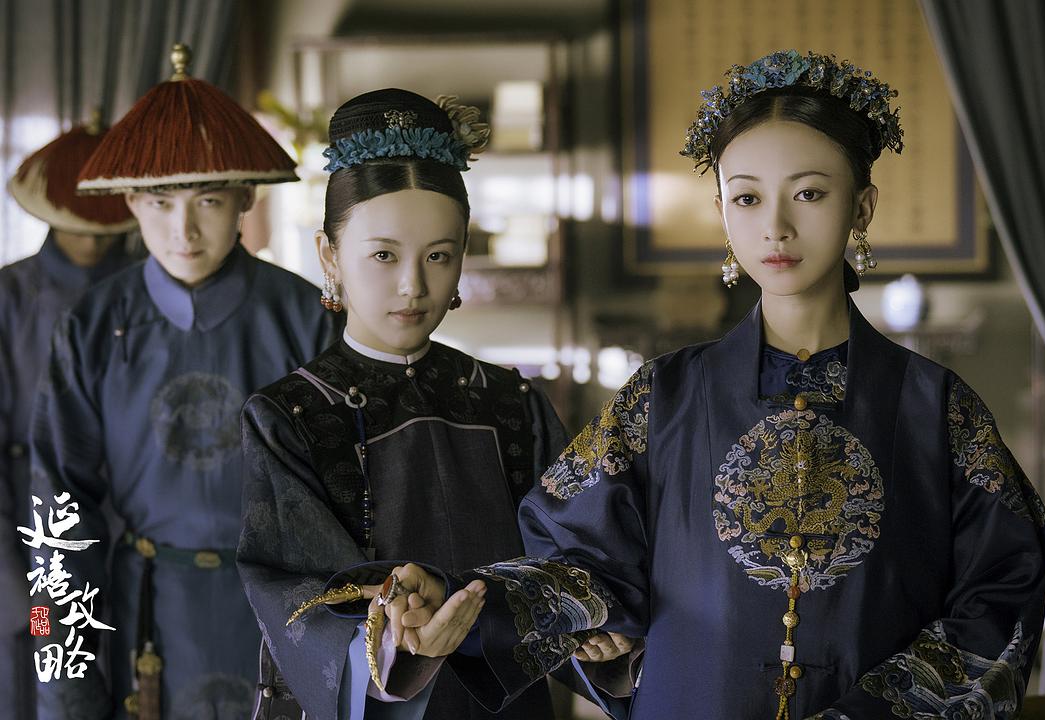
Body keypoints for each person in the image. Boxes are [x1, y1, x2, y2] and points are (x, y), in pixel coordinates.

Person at [345, 50, 1045, 719]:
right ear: (721, 210)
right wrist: (464, 600)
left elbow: (1000, 597)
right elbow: (580, 565)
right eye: (746, 198)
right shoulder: (662, 398)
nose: (775, 226)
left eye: (809, 193)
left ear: (862, 207)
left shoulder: (939, 410)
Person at [236, 88, 627, 720]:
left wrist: (598, 645)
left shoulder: (512, 403)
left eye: (438, 256)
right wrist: (396, 648)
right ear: (329, 255)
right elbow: (294, 594)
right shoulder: (290, 416)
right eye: (383, 255)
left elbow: (574, 560)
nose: (413, 285)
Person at [28, 44, 340, 719]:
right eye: (160, 201)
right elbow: (55, 518)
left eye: (209, 200)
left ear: (245, 197)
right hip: (144, 610)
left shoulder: (307, 317)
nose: (184, 230)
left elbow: (352, 501)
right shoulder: (93, 325)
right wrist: (62, 686)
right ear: (131, 201)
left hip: (288, 609)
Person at [1, 117, 141, 720]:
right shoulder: (9, 297)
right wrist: (11, 581)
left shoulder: (145, 290)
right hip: (31, 524)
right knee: (40, 670)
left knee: (138, 675)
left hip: (131, 517)